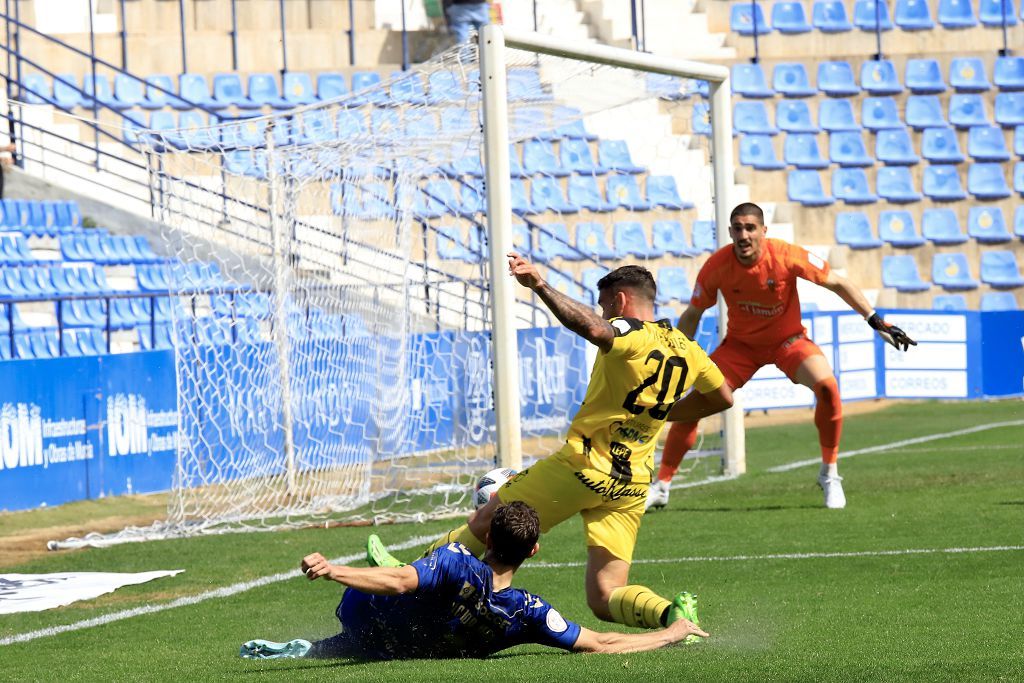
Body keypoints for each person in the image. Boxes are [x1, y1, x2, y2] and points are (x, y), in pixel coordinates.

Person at [367, 255, 733, 633]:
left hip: (584, 466)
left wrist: (540, 285)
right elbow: (723, 397)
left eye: (605, 305)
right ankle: (671, 615)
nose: (603, 313)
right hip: (631, 484)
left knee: (488, 516)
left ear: (621, 301)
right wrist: (662, 412)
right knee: (605, 596)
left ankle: (407, 573)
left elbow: (596, 331)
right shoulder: (687, 348)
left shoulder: (629, 329)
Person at [648, 202, 916, 512]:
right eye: (738, 228)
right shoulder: (717, 265)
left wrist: (875, 320)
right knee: (696, 402)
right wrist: (677, 358)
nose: (744, 235)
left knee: (827, 387)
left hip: (788, 341)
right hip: (740, 347)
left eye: (750, 228)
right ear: (730, 232)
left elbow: (838, 283)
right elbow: (693, 313)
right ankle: (663, 486)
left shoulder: (786, 254)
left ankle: (829, 474)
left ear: (764, 231)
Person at [240, 501, 708, 660]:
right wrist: (672, 632)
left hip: (373, 625)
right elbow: (602, 644)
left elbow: (402, 583)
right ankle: (321, 645)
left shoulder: (458, 559)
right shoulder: (530, 611)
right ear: (534, 550)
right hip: (420, 647)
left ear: (487, 534)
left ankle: (319, 644)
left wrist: (334, 571)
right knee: (415, 610)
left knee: (409, 585)